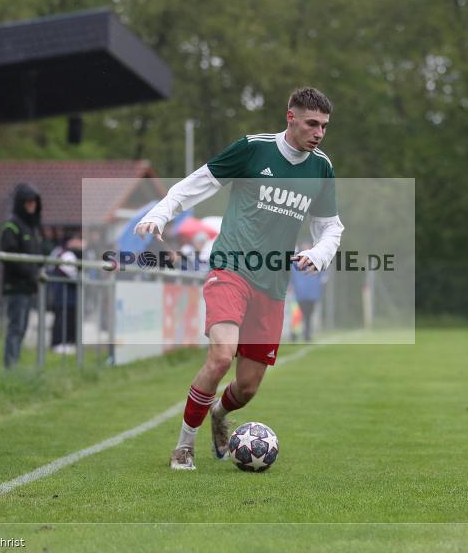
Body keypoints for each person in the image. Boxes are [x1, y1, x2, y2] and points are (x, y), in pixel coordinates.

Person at [135, 87, 344, 470]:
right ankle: (184, 446)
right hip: (231, 268)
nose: (319, 132)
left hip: (274, 285)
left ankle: (219, 412)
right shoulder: (253, 149)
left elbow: (331, 228)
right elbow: (198, 182)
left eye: (324, 126)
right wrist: (162, 213)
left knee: (246, 388)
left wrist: (318, 252)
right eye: (312, 123)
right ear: (290, 118)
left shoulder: (321, 168)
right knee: (219, 356)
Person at [0, 183, 42, 368]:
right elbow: (10, 256)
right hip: (16, 286)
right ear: (22, 203)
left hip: (28, 286)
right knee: (15, 328)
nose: (32, 205)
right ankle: (10, 366)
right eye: (29, 202)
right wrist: (30, 272)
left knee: (22, 328)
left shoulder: (31, 228)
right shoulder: (12, 226)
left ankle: (14, 364)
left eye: (34, 202)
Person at [49, 235, 82, 353]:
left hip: (72, 297)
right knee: (62, 319)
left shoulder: (74, 254)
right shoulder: (66, 254)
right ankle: (58, 343)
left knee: (71, 319)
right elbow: (70, 273)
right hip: (63, 295)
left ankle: (69, 342)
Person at [289, 242, 326, 342]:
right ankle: (294, 334)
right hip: (299, 293)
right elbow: (290, 274)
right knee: (297, 314)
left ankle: (307, 334)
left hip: (312, 293)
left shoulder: (316, 259)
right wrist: (290, 285)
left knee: (308, 315)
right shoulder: (296, 260)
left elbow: (322, 276)